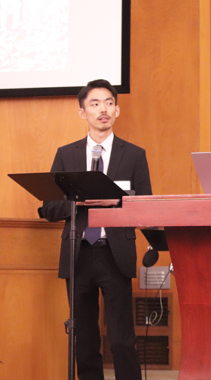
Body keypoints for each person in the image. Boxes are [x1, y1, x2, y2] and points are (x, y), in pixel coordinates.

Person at [39, 79, 151, 380]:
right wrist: (79, 203)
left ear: (117, 110)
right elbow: (48, 207)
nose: (103, 109)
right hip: (78, 254)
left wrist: (119, 201)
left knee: (121, 339)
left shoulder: (134, 155)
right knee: (84, 340)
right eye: (94, 103)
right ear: (82, 112)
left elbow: (147, 207)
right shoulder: (67, 154)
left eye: (108, 103)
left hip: (115, 254)